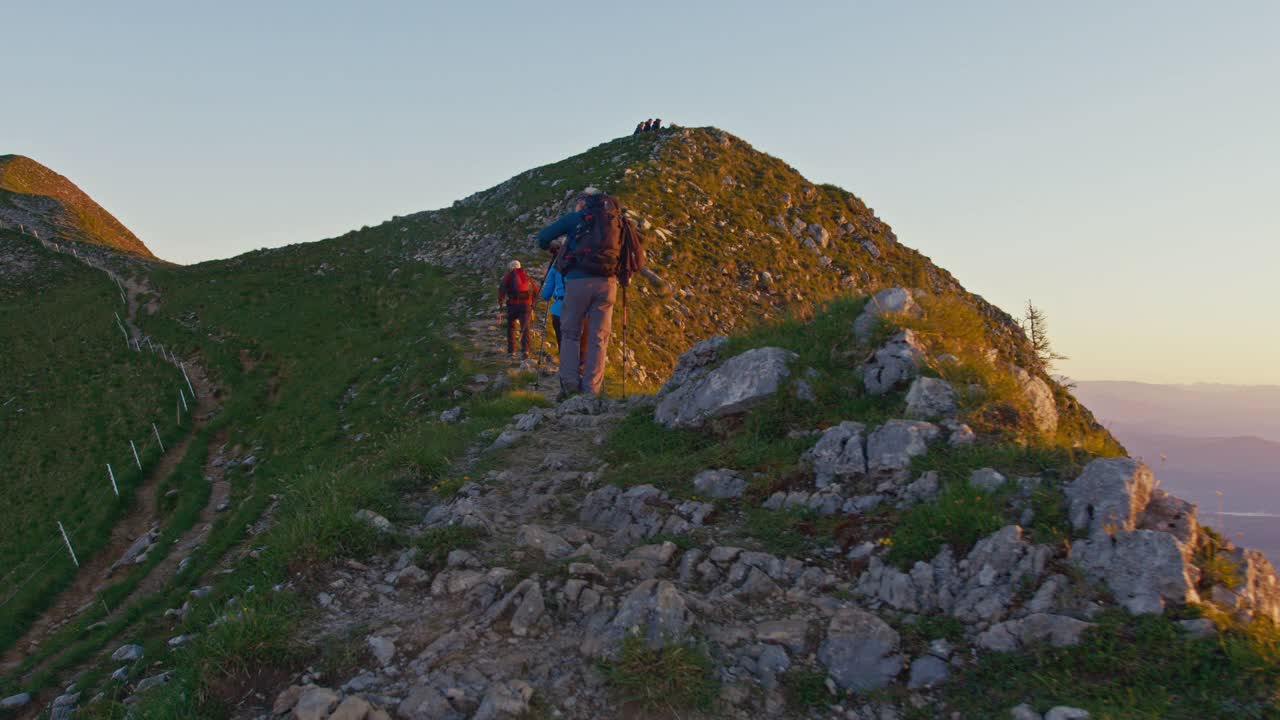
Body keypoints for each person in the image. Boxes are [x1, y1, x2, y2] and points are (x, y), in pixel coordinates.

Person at [536, 188, 618, 398]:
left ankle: (570, 387)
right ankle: (592, 390)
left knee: (571, 335)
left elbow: (542, 237)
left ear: (583, 202)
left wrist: (551, 247)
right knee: (598, 337)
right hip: (607, 284)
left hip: (577, 282)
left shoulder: (575, 219)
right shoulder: (616, 221)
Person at [540, 240, 587, 373]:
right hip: (581, 309)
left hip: (559, 310)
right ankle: (582, 370)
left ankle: (567, 375)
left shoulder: (555, 267)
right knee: (582, 343)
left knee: (564, 343)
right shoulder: (582, 264)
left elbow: (545, 295)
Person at [498, 260, 538, 360]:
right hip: (526, 305)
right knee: (525, 327)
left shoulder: (508, 277)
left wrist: (500, 304)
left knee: (511, 327)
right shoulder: (527, 277)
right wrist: (532, 304)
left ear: (511, 268)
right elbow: (536, 291)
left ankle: (512, 351)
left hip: (513, 305)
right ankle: (526, 350)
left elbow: (501, 290)